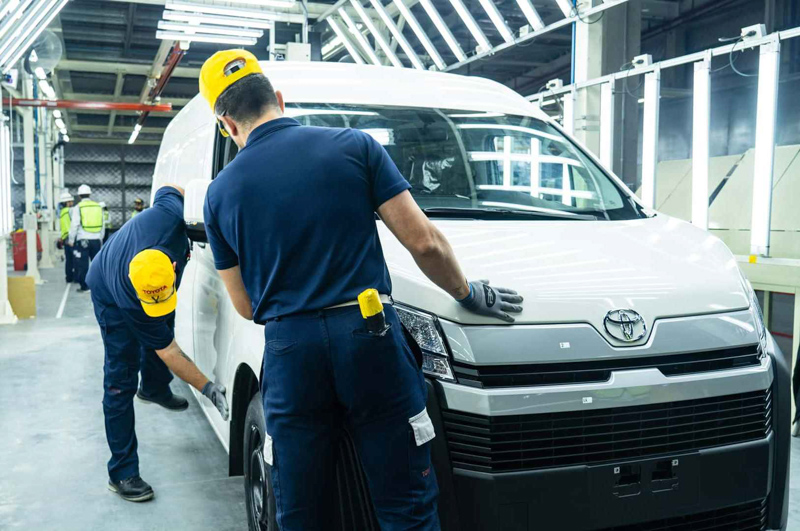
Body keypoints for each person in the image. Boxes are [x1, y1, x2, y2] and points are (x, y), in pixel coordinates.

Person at [199, 50, 524, 530]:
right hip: (368, 335)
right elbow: (425, 242)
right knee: (405, 502)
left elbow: (245, 306)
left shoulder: (220, 193)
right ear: (279, 99)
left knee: (300, 508)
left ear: (227, 124)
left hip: (291, 351)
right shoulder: (354, 146)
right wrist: (468, 292)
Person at [86, 184, 230, 503]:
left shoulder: (166, 214)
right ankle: (121, 472)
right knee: (120, 380)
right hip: (108, 292)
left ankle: (154, 388)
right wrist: (207, 387)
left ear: (173, 267)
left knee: (164, 324)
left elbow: (172, 186)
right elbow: (170, 351)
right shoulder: (130, 299)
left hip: (144, 269)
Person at [69, 184, 105, 292]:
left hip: (83, 239)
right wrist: (100, 238)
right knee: (96, 264)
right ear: (89, 194)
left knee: (83, 264)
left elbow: (74, 225)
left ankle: (85, 287)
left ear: (79, 196)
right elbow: (103, 224)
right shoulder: (98, 206)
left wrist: (71, 240)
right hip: (96, 240)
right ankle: (98, 286)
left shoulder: (78, 207)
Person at [58, 191, 75, 283]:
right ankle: (76, 277)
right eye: (70, 201)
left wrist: (61, 237)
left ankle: (69, 277)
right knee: (75, 259)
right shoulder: (70, 211)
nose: (72, 203)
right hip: (70, 237)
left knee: (68, 259)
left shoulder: (62, 212)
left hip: (65, 237)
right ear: (67, 202)